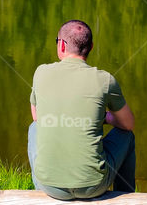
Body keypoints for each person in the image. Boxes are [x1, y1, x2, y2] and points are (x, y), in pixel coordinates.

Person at [27, 20, 136, 200]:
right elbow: (128, 124)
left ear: (61, 44)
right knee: (126, 136)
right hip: (93, 186)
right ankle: (125, 196)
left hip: (49, 186)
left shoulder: (41, 72)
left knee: (34, 128)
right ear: (91, 47)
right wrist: (106, 118)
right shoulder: (105, 80)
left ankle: (40, 186)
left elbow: (37, 116)